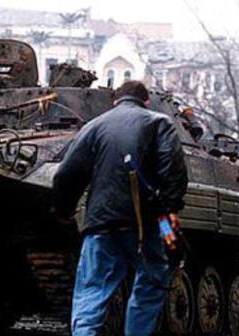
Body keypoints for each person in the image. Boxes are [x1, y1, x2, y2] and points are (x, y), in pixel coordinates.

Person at [52, 81, 188, 336]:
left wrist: (63, 211)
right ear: (146, 100)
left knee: (91, 291)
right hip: (146, 223)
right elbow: (173, 170)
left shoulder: (93, 126)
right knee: (151, 283)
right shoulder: (159, 122)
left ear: (115, 100)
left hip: (101, 223)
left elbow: (66, 174)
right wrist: (170, 209)